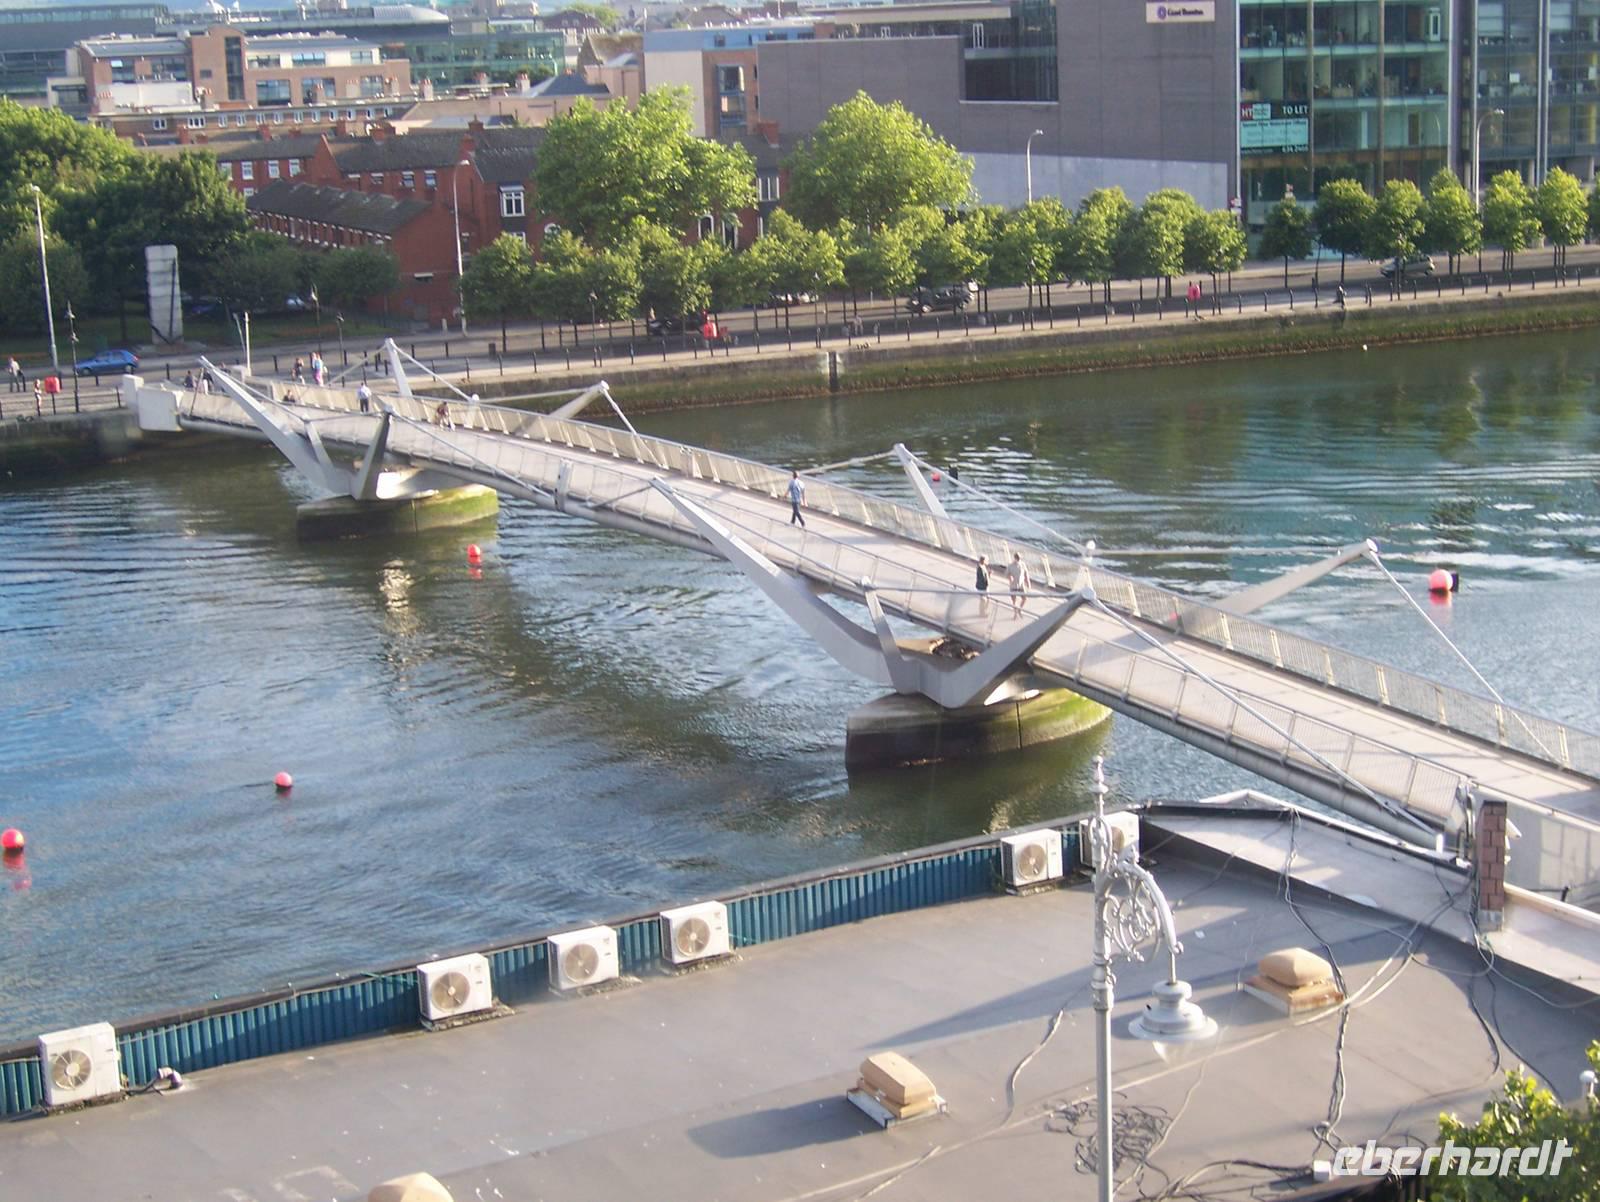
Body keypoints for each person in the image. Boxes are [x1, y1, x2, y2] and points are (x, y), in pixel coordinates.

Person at [1006, 551, 1030, 617]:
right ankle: (1015, 613)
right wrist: (1010, 577)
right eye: (1017, 558)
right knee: (1014, 600)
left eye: (1019, 558)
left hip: (1021, 585)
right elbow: (1006, 574)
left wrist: (1028, 582)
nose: (1019, 559)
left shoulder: (1023, 564)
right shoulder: (1010, 565)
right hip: (1013, 585)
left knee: (1024, 598)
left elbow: (1026, 573)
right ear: (1015, 558)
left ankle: (1019, 609)